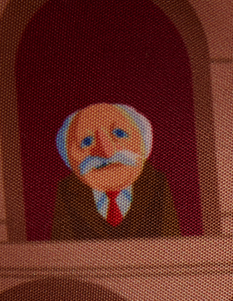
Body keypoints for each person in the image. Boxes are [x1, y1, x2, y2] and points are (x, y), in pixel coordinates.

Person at [51, 102, 180, 240]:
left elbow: (172, 242)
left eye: (119, 134)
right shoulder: (67, 190)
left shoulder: (157, 183)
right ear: (68, 157)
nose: (106, 152)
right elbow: (60, 247)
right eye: (87, 142)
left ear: (144, 142)